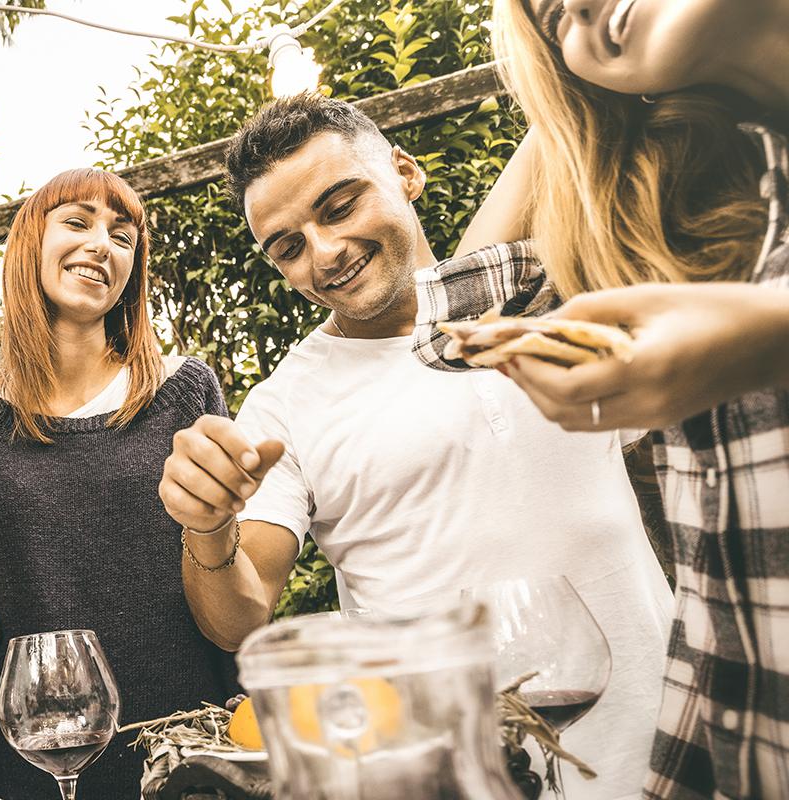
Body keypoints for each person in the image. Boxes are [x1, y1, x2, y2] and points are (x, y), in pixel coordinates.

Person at [157, 93, 673, 797]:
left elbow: (572, 117)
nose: (326, 252)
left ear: (405, 171)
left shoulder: (540, 302)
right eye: (288, 246)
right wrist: (208, 525)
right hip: (460, 777)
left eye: (340, 206)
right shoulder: (286, 402)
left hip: (675, 739)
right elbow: (236, 615)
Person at [410, 2, 789, 796]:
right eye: (554, 23)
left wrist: (767, 332)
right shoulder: (685, 207)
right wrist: (569, 113)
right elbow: (451, 321)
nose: (576, 7)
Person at [0, 168, 237, 799]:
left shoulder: (184, 392)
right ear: (29, 246)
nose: (103, 243)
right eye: (77, 221)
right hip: (36, 761)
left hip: (188, 750)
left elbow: (222, 571)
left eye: (123, 235)